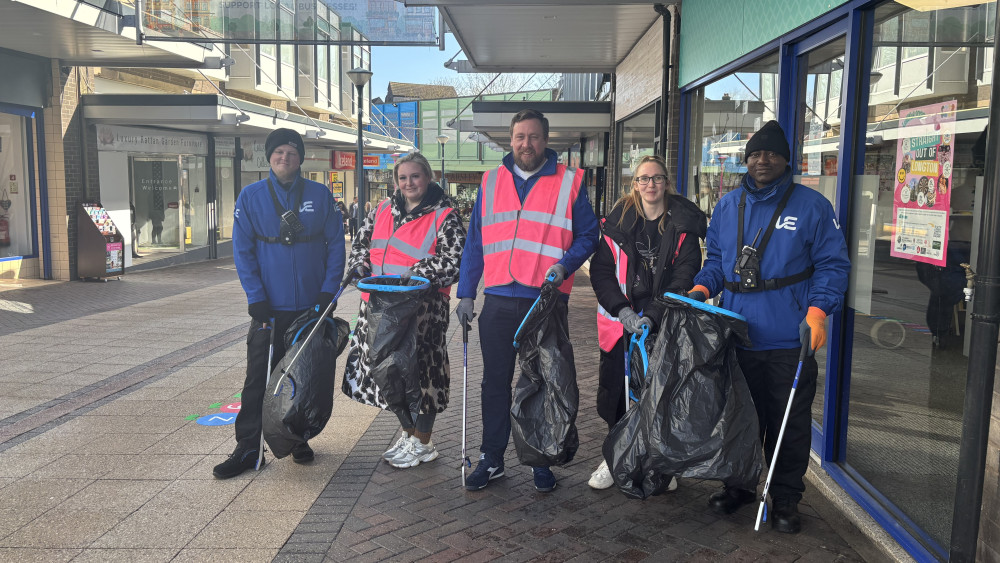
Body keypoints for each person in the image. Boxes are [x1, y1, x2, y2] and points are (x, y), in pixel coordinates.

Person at [687, 120, 850, 533]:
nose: (763, 160)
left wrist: (817, 312)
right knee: (740, 419)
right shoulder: (727, 205)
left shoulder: (812, 207)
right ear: (747, 160)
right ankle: (739, 485)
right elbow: (717, 261)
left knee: (788, 425)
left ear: (785, 160)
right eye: (756, 154)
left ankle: (786, 499)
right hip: (738, 335)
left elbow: (833, 266)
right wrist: (703, 289)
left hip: (788, 337)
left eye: (772, 153)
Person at [456, 108, 600, 492]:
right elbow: (475, 243)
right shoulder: (489, 182)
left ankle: (540, 457)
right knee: (495, 382)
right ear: (511, 139)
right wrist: (466, 292)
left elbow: (589, 236)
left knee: (543, 382)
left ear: (545, 140)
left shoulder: (570, 182)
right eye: (519, 136)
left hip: (545, 300)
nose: (526, 144)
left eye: (533, 137)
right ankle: (492, 458)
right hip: (499, 300)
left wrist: (565, 266)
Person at [215, 128, 345, 479]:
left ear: (300, 158)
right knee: (257, 378)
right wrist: (256, 298)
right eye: (278, 152)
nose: (284, 157)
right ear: (269, 157)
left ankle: (297, 439)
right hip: (269, 310)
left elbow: (336, 247)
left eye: (291, 152)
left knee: (304, 379)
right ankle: (247, 448)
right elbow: (242, 252)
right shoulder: (251, 196)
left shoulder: (320, 195)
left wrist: (326, 294)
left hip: (309, 309)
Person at [588, 155, 706, 490]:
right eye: (643, 179)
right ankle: (616, 456)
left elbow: (684, 277)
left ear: (667, 182)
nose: (650, 185)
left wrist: (653, 316)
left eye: (657, 178)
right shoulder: (618, 222)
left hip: (664, 320)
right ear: (634, 185)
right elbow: (601, 271)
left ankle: (658, 463)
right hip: (620, 321)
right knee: (617, 392)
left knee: (660, 393)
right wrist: (623, 311)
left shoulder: (683, 226)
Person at [342, 152, 466, 468]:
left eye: (415, 176)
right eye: (403, 177)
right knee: (388, 373)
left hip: (423, 312)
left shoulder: (444, 215)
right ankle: (409, 434)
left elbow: (456, 261)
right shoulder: (381, 210)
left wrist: (420, 269)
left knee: (423, 377)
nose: (409, 183)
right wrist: (358, 266)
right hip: (379, 307)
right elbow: (360, 246)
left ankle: (423, 442)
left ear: (427, 178)